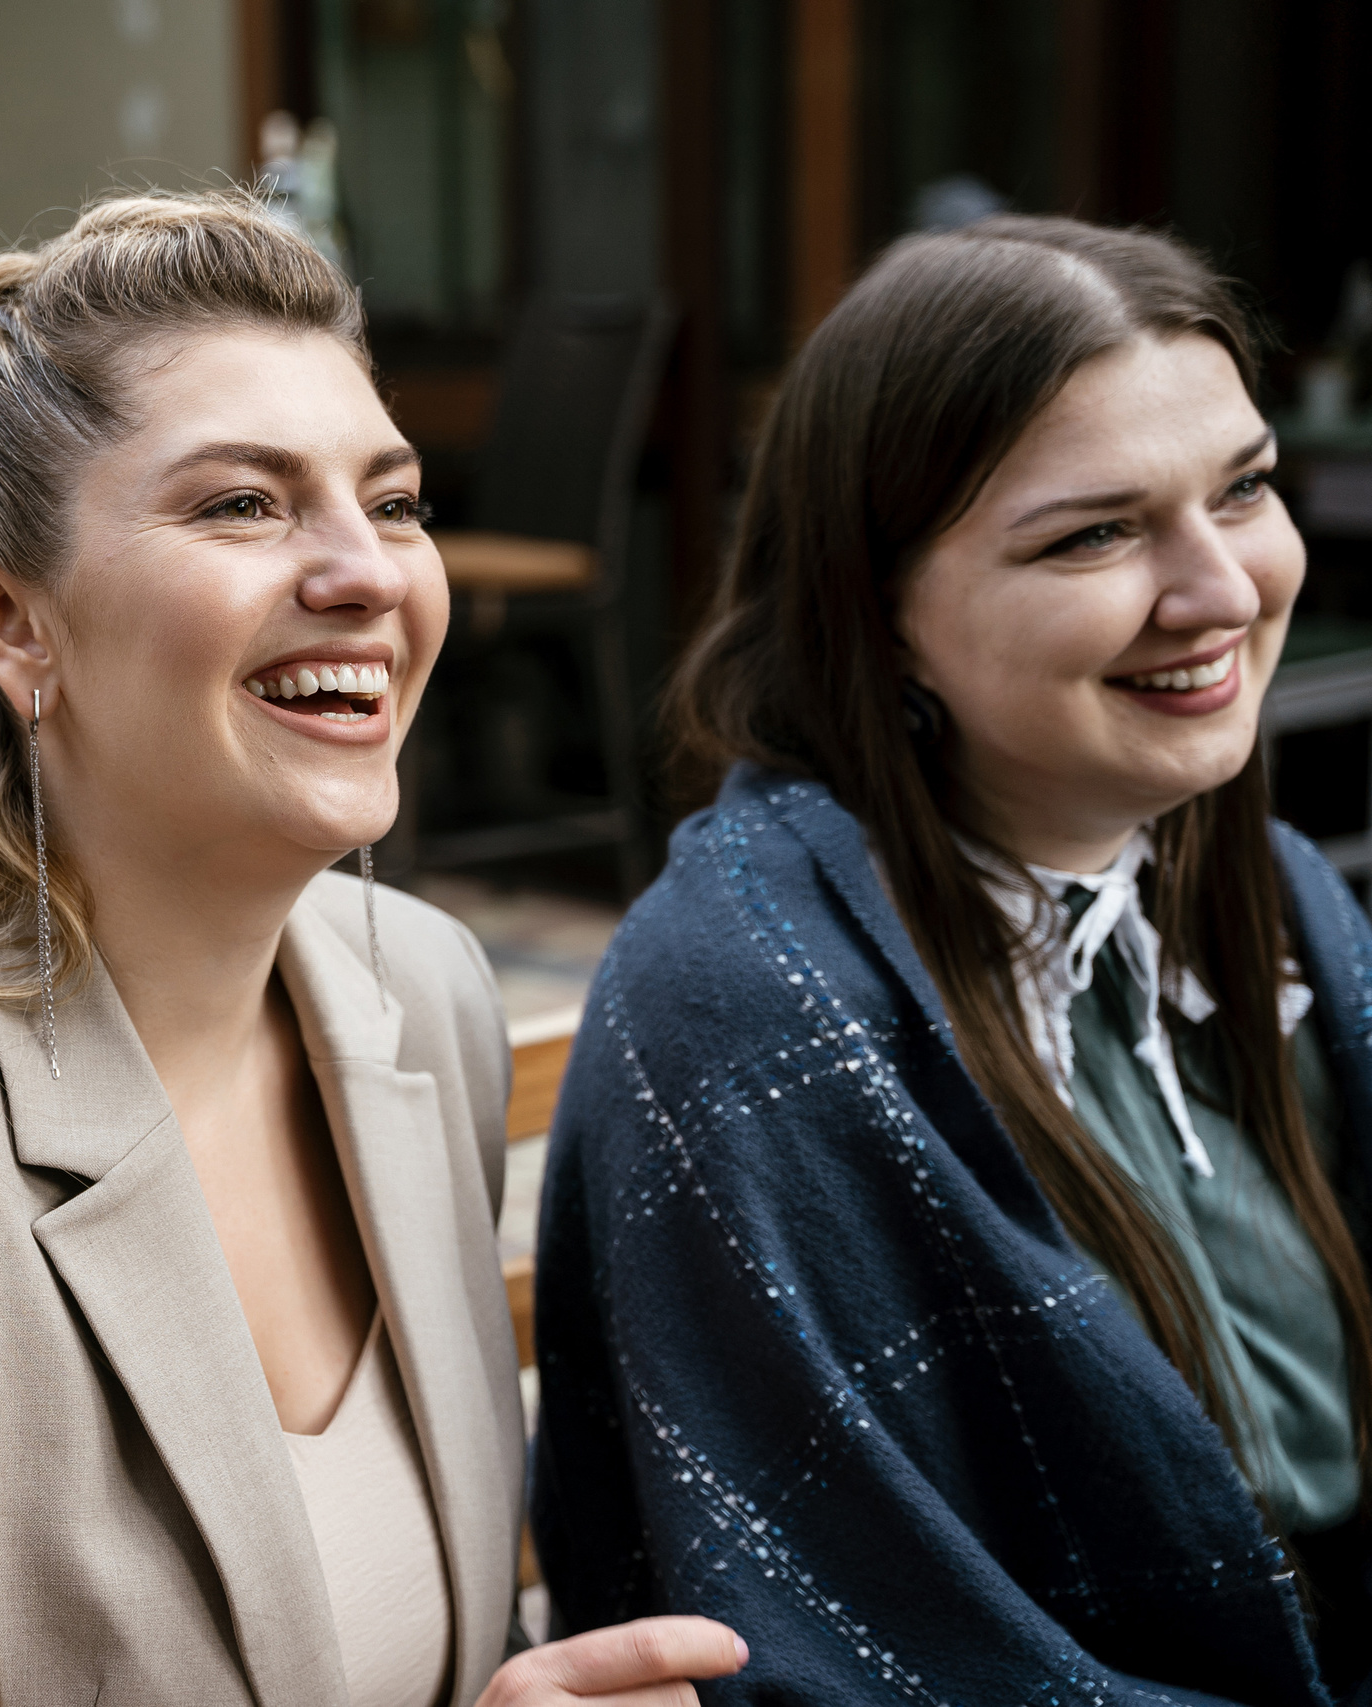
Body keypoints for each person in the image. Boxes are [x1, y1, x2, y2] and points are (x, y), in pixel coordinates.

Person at [0, 190, 744, 1706]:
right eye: (242, 506)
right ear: (10, 617)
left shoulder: (424, 990)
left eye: (393, 502)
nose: (370, 575)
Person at [533, 215, 1372, 1703]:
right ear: (884, 613)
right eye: (1095, 533)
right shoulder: (746, 1014)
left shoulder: (1275, 895)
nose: (1222, 589)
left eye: (1242, 489)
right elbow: (858, 1652)